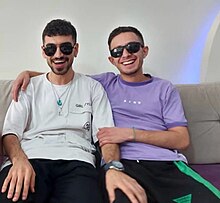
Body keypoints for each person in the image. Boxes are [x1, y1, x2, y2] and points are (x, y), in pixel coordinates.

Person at [11, 26, 220, 203]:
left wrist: (130, 133)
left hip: (165, 164)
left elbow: (181, 139)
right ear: (112, 59)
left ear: (144, 50)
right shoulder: (103, 83)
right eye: (118, 51)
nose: (126, 55)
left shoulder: (165, 89)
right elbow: (63, 74)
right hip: (123, 164)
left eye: (132, 47)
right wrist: (29, 74)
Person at [0, 19, 120, 203]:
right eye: (51, 49)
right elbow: (10, 132)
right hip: (31, 159)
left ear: (76, 49)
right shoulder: (28, 86)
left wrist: (113, 167)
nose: (58, 54)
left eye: (65, 48)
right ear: (43, 51)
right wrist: (19, 160)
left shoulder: (93, 88)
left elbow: (106, 137)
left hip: (78, 162)